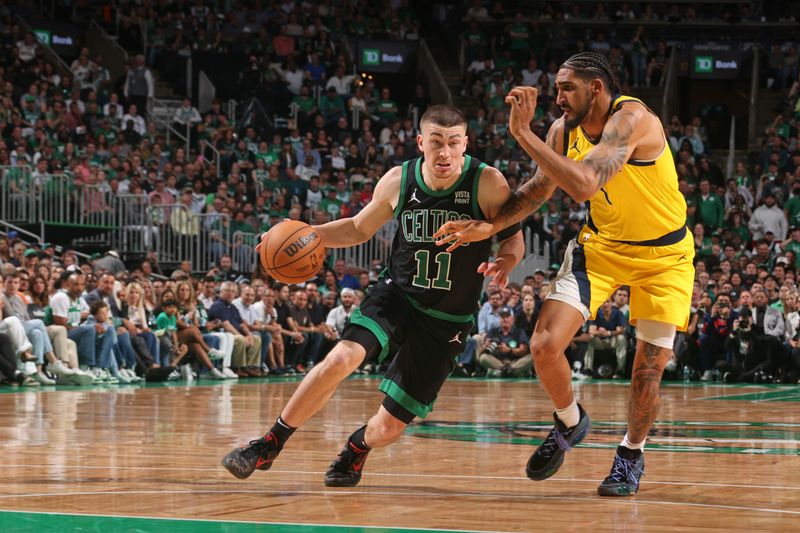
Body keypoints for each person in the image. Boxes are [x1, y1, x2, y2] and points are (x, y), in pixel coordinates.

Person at [434, 52, 694, 496]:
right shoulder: (562, 131)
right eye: (556, 88)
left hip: (664, 257)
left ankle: (630, 454)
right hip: (602, 247)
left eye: (566, 88)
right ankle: (570, 422)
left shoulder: (632, 118)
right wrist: (493, 227)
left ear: (596, 87)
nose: (557, 98)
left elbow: (585, 184)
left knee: (646, 374)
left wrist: (520, 132)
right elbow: (540, 188)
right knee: (543, 343)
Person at [222, 104, 524, 486]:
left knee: (388, 427)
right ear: (421, 142)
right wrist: (302, 231)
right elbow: (357, 228)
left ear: (465, 143)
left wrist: (507, 261)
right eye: (436, 142)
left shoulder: (488, 182)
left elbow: (514, 237)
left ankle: (357, 448)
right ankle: (269, 443)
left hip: (447, 320)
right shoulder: (400, 179)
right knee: (340, 358)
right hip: (396, 295)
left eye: (452, 143)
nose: (444, 152)